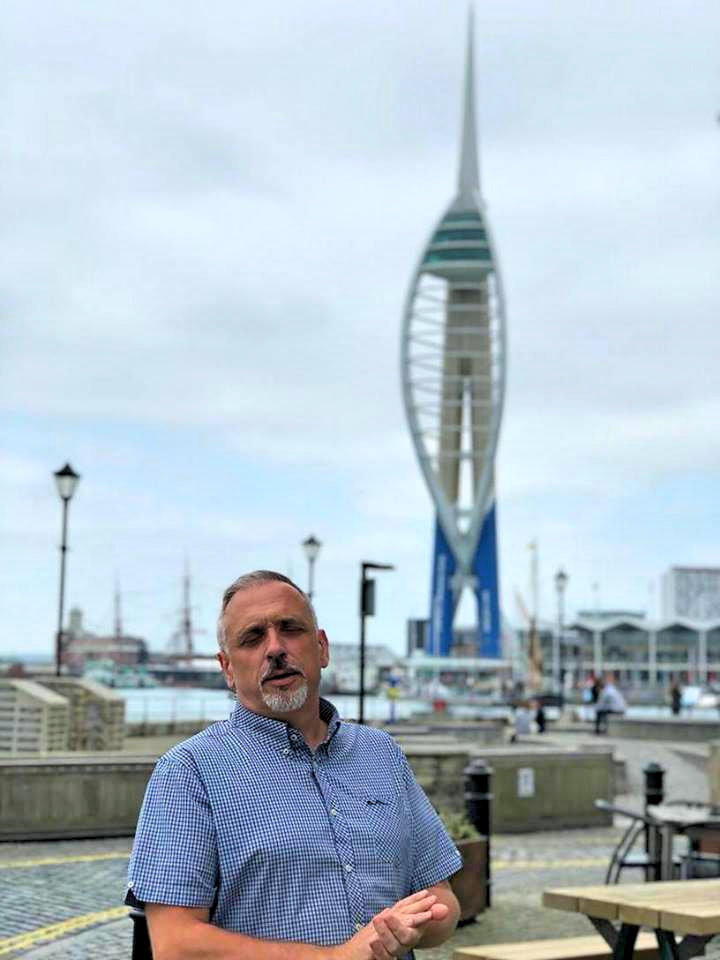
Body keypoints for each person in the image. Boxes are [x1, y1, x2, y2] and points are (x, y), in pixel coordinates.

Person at [126, 570, 462, 960]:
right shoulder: (189, 771)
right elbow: (175, 944)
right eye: (252, 638)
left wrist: (410, 926)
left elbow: (443, 900)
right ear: (228, 668)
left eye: (290, 629)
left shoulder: (380, 753)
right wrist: (335, 958)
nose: (274, 648)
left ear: (322, 648)